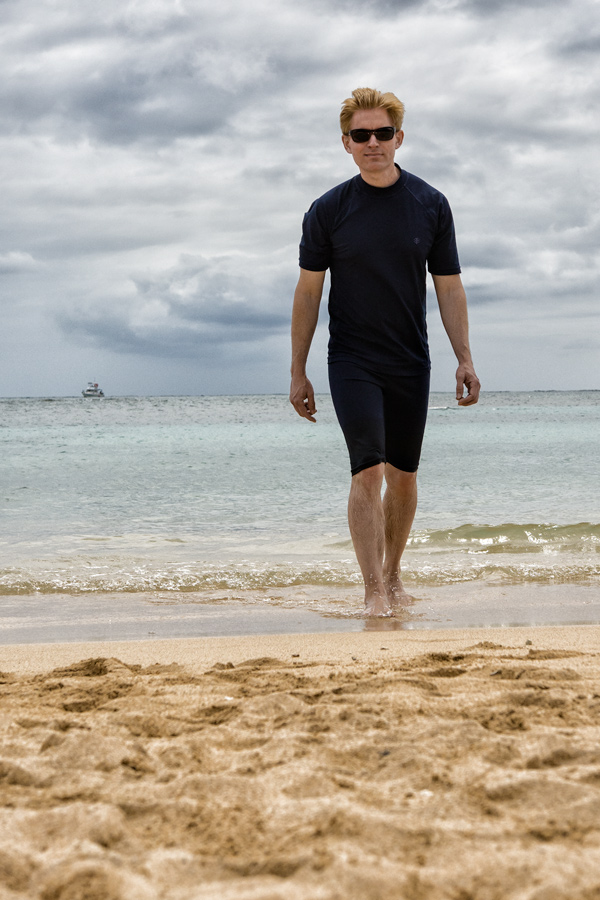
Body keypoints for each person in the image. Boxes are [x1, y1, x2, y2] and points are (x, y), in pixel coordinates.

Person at [289, 87, 480, 617]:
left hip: (409, 360)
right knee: (366, 471)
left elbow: (449, 287)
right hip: (351, 358)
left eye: (382, 133)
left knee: (404, 475)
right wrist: (297, 370)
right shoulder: (328, 211)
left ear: (399, 137)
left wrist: (463, 357)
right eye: (360, 135)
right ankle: (373, 589)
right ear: (345, 143)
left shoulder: (430, 204)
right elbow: (308, 292)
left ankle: (394, 575)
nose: (372, 143)